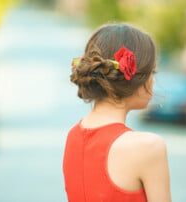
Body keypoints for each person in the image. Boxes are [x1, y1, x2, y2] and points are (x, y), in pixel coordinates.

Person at [63, 24, 171, 202]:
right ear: (136, 77)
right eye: (152, 72)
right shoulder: (149, 147)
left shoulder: (73, 136)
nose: (153, 80)